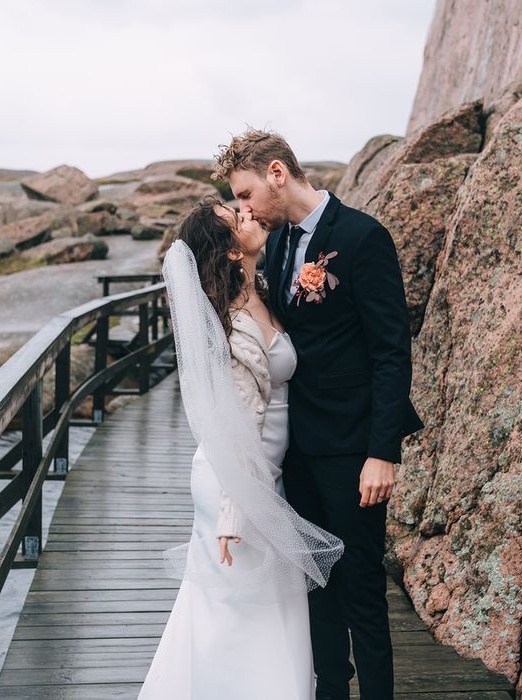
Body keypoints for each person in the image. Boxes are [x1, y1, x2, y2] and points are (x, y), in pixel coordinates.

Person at [213, 129, 425, 700]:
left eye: (247, 192)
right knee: (316, 585)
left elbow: (390, 350)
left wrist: (384, 452)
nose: (245, 208)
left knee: (361, 586)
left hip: (355, 449)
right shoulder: (277, 247)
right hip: (299, 451)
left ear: (278, 173)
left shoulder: (362, 237)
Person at [138, 197, 343, 700]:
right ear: (231, 252)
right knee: (238, 608)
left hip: (265, 477)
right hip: (236, 481)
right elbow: (240, 427)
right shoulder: (229, 326)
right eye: (237, 218)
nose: (249, 214)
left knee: (274, 605)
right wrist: (233, 516)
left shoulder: (264, 293)